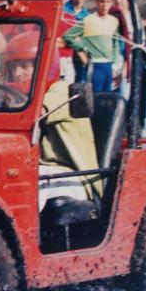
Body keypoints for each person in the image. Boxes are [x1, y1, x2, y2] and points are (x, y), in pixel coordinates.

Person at [38, 48, 102, 212]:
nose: (18, 73)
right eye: (13, 66)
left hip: (74, 176)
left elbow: (37, 113)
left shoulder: (61, 91)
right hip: (49, 173)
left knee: (29, 180)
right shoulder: (29, 95)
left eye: (25, 66)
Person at [62, 0, 120, 94]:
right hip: (95, 64)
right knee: (94, 96)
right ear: (97, 2)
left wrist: (114, 64)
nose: (105, 5)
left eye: (108, 2)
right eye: (102, 1)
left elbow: (115, 43)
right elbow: (68, 36)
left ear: (112, 3)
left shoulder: (114, 21)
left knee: (107, 97)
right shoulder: (88, 20)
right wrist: (82, 48)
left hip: (108, 65)